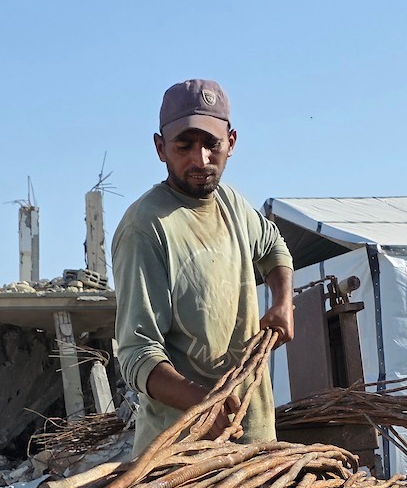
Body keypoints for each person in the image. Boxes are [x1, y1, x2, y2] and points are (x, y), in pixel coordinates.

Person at [112, 78, 295, 457]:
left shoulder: (232, 204)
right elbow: (137, 355)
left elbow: (275, 246)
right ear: (160, 148)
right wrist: (200, 405)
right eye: (184, 145)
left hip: (254, 445)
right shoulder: (145, 228)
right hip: (180, 459)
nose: (200, 160)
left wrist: (282, 302)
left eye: (211, 144)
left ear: (231, 142)